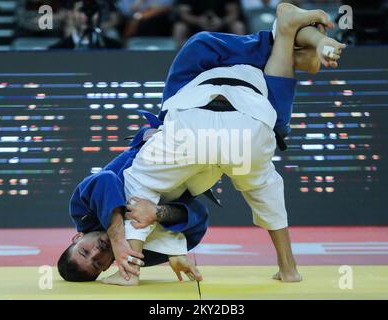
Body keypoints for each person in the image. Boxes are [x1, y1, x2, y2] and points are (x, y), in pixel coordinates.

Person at [117, 3, 345, 283]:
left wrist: (158, 132)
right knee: (266, 185)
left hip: (193, 118)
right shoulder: (267, 68)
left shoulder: (221, 63)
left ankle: (130, 272)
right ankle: (289, 268)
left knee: (140, 183)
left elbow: (143, 194)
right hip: (247, 116)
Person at [57, 111, 209, 283]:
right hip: (202, 168)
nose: (97, 252)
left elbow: (105, 179)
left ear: (77, 238)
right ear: (107, 267)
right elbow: (199, 217)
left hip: (166, 141)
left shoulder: (82, 210)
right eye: (98, 263)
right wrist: (159, 213)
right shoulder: (139, 257)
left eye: (84, 251)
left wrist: (117, 237)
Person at [173, 0, 246, 47]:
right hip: (195, 26)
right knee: (179, 27)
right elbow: (184, 14)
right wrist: (198, 21)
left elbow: (233, 13)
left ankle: (241, 55)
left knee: (238, 26)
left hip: (222, 26)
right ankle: (178, 57)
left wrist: (221, 21)